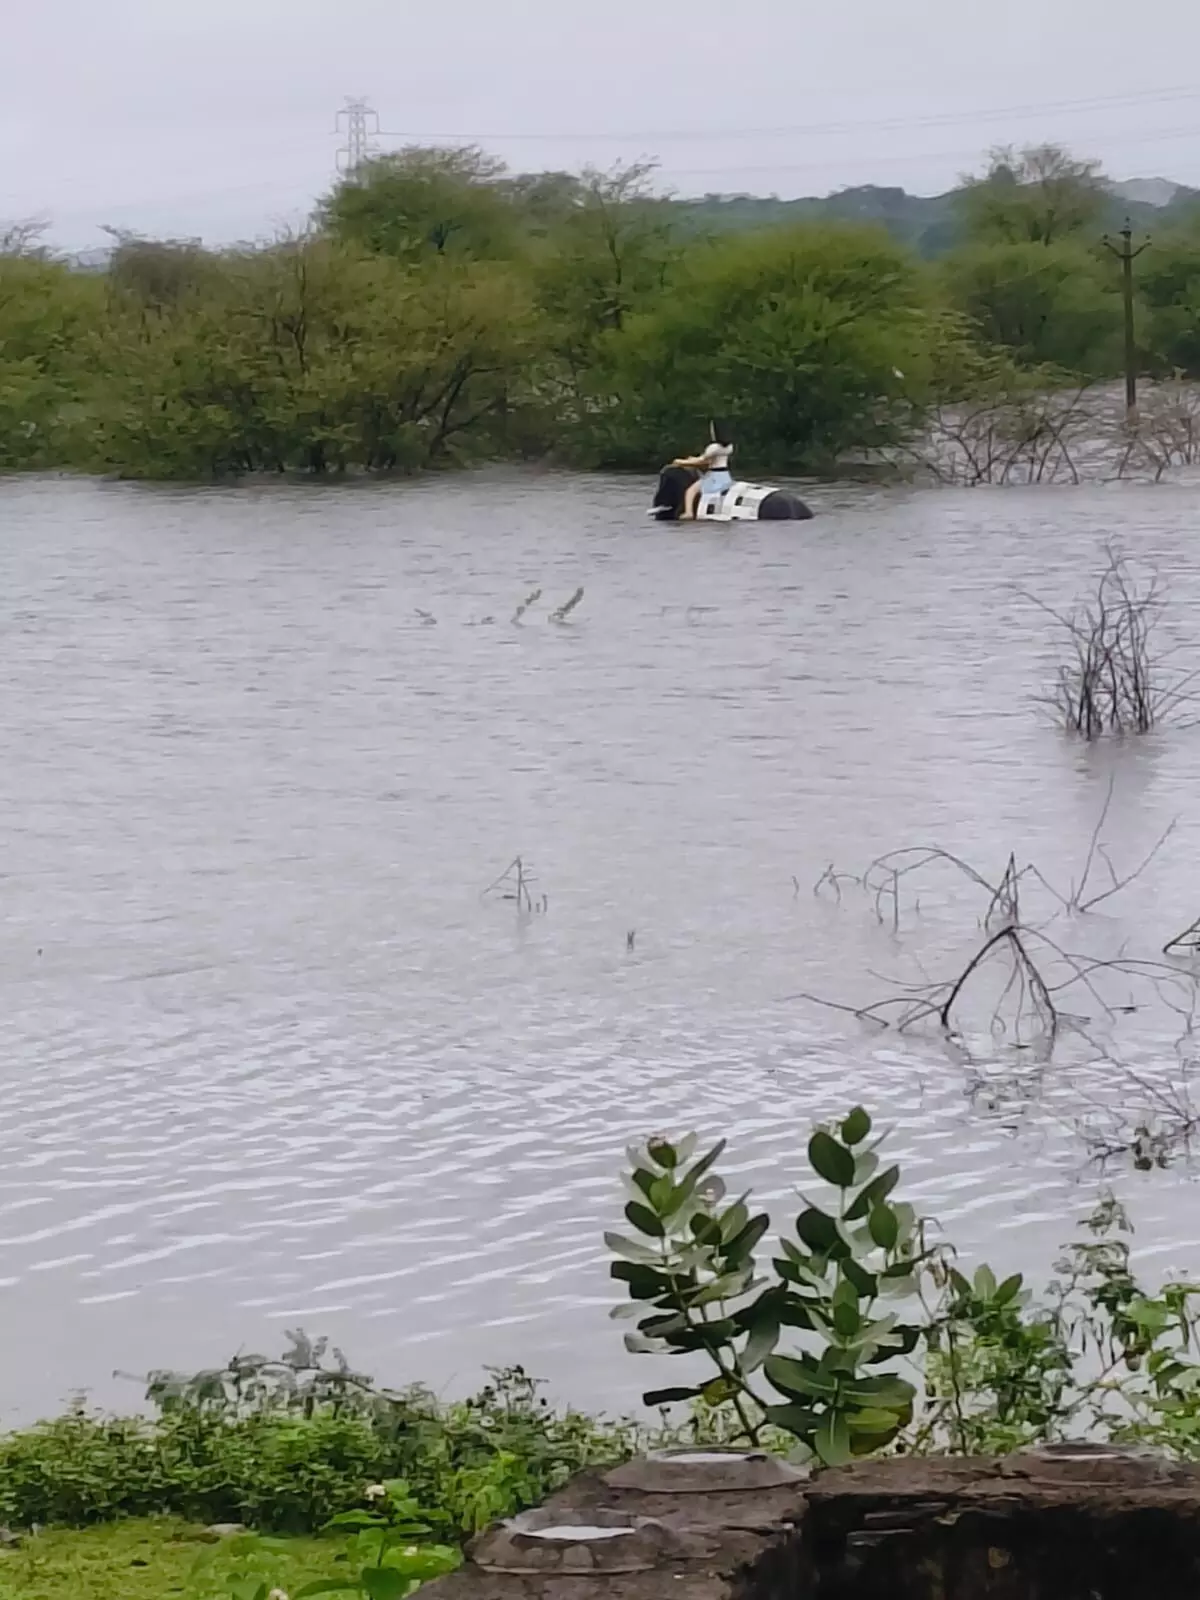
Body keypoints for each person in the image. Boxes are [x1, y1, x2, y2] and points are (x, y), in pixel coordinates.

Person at [671, 424, 734, 519]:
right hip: (725, 475)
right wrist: (692, 459)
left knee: (690, 491)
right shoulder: (729, 447)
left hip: (714, 476)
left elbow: (701, 461)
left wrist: (681, 462)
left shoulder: (714, 447)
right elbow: (710, 460)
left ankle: (689, 512)